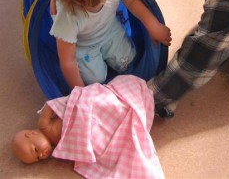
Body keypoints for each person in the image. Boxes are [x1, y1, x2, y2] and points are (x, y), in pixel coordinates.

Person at [12, 75, 165, 179]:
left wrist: (76, 99)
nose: (42, 155)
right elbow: (76, 150)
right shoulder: (57, 149)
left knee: (108, 107)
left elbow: (52, 105)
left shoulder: (43, 125)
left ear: (31, 134)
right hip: (89, 136)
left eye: (36, 150)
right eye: (38, 158)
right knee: (111, 151)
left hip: (88, 113)